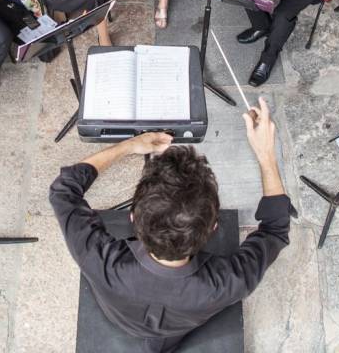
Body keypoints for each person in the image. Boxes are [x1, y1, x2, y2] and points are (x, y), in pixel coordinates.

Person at [49, 97, 291, 352]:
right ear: (213, 228)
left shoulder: (98, 260)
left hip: (118, 316)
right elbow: (276, 229)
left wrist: (129, 146)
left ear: (132, 216)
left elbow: (63, 191)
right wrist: (266, 156)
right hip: (179, 331)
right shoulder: (227, 284)